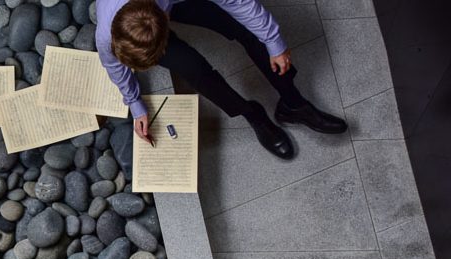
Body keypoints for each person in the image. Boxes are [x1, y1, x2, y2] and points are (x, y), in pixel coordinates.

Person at [96, 0, 348, 173]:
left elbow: (237, 2)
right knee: (193, 70)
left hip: (164, 8)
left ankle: (293, 104)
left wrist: (274, 42)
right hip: (139, 13)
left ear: (165, 18)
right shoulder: (107, 33)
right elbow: (114, 65)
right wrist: (136, 105)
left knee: (246, 28)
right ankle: (253, 115)